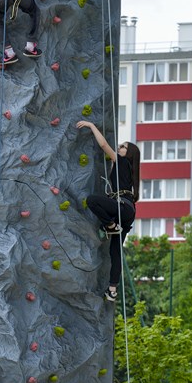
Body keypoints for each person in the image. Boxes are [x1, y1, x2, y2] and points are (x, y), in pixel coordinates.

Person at [76, 121, 140, 303]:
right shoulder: (128, 170)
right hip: (128, 211)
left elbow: (103, 145)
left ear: (128, 154)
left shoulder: (122, 162)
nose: (119, 148)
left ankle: (111, 225)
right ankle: (112, 290)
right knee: (115, 251)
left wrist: (91, 125)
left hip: (122, 208)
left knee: (92, 200)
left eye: (123, 147)